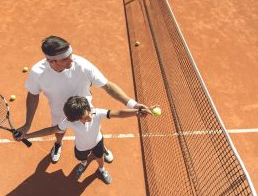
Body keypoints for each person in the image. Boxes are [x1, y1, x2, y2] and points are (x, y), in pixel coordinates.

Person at [15, 36, 148, 164]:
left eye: (71, 55)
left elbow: (107, 86)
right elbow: (33, 95)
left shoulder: (82, 65)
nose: (72, 60)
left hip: (85, 110)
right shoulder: (38, 72)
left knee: (95, 130)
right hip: (59, 112)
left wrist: (133, 104)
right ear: (52, 62)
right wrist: (28, 124)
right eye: (66, 59)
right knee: (59, 132)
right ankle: (58, 144)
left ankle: (100, 147)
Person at [23, 96, 156, 184]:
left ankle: (101, 169)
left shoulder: (96, 113)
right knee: (82, 158)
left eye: (88, 114)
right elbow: (52, 130)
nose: (90, 118)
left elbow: (118, 113)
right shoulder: (69, 122)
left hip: (97, 141)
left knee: (99, 157)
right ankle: (84, 164)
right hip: (81, 147)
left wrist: (136, 112)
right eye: (85, 118)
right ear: (75, 119)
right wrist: (27, 136)